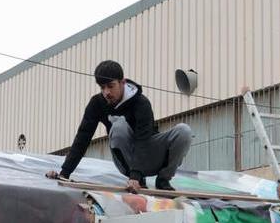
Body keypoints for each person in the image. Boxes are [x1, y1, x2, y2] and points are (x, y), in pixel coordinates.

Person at [51, 60, 192, 192]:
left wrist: (135, 176)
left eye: (111, 86)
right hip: (127, 161)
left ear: (122, 82)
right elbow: (82, 138)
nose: (106, 92)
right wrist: (65, 172)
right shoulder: (96, 104)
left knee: (184, 131)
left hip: (149, 153)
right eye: (102, 88)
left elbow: (143, 139)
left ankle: (163, 180)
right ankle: (137, 178)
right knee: (118, 126)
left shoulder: (141, 103)